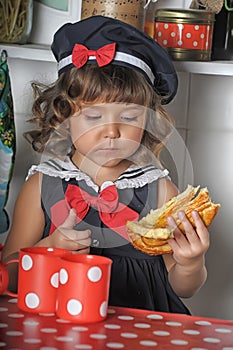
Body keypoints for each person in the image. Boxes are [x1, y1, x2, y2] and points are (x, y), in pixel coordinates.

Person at [2, 16, 210, 314]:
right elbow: (8, 276)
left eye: (128, 117)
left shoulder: (161, 192)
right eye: (94, 117)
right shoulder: (41, 186)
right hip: (60, 330)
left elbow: (182, 289)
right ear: (63, 116)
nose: (111, 132)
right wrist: (50, 249)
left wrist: (191, 262)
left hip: (143, 333)